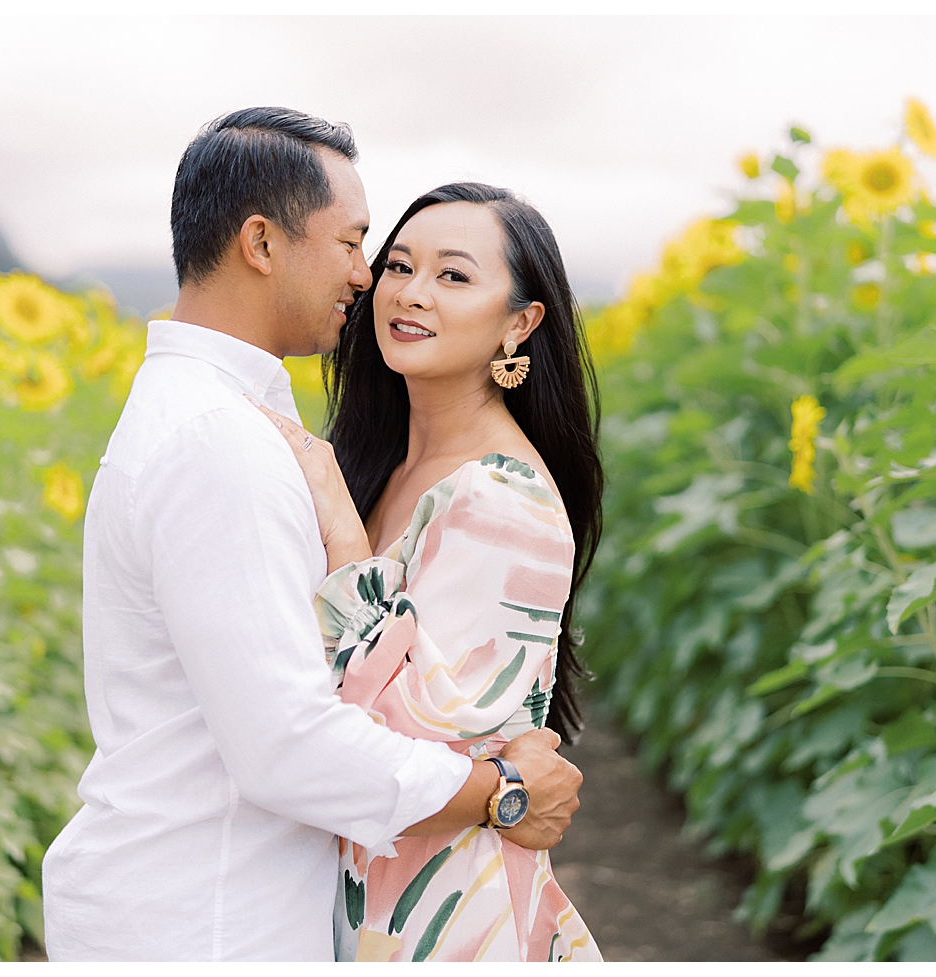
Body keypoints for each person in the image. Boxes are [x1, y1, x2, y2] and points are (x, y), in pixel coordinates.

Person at [40, 109, 583, 962]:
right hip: (210, 917)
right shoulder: (221, 438)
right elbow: (289, 742)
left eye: (450, 274)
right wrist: (502, 790)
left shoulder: (243, 425)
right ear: (262, 243)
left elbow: (412, 706)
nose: (373, 279)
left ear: (521, 322)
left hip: (358, 905)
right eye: (362, 246)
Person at [249, 182, 605, 961]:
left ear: (521, 322)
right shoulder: (384, 462)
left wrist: (342, 529)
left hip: (441, 922)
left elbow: (413, 751)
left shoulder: (498, 498)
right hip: (361, 898)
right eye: (399, 266)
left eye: (453, 276)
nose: (410, 294)